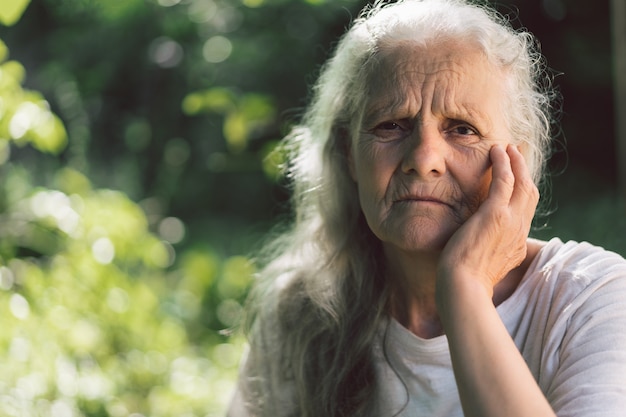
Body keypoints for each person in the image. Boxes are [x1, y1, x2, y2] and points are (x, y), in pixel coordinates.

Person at [227, 0, 626, 416]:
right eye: (391, 125)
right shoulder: (304, 314)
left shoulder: (591, 300)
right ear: (349, 154)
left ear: (516, 161)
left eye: (462, 129)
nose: (423, 157)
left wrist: (465, 285)